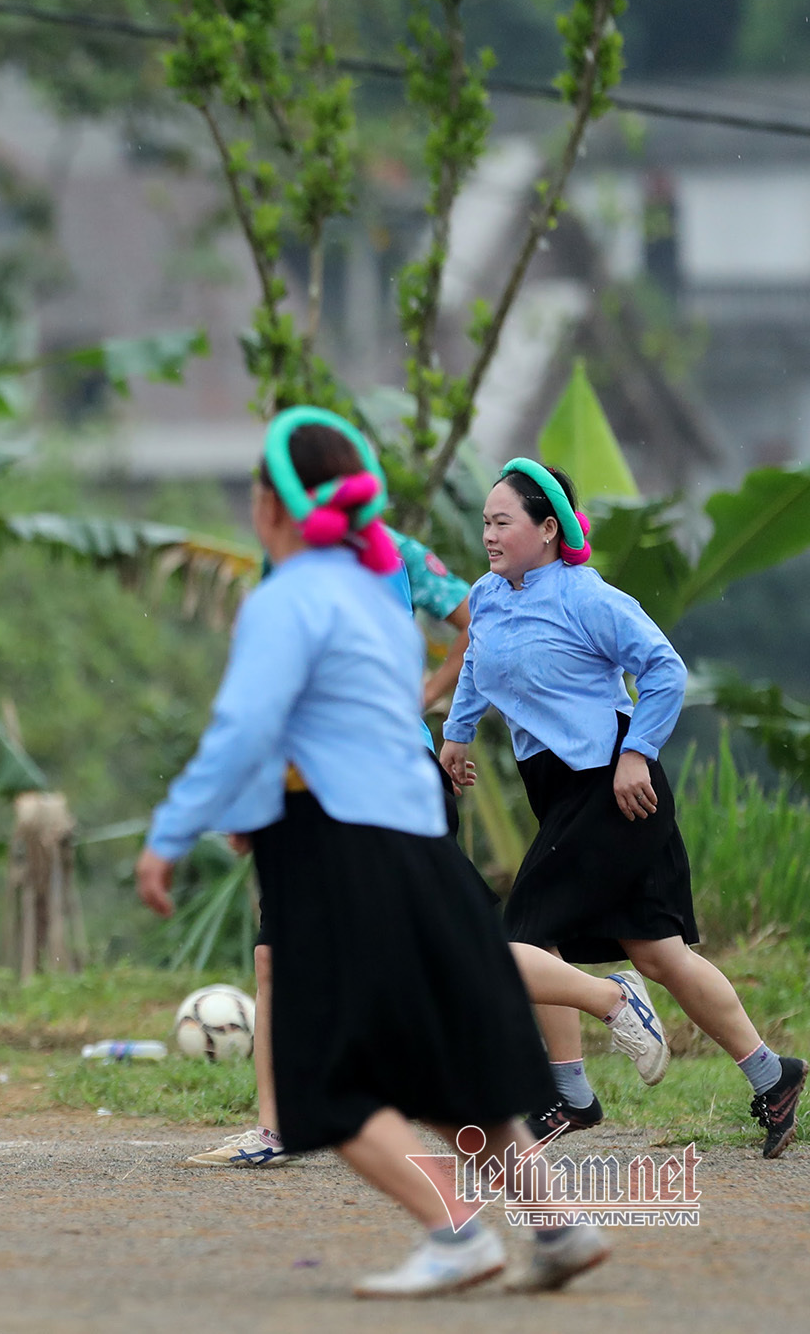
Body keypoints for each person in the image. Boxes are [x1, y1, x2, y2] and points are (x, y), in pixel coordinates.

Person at [137, 410, 607, 1296]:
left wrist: (170, 835)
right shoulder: (377, 590)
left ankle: (457, 1234)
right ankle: (559, 1225)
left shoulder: (287, 598)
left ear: (277, 507)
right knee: (439, 1060)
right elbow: (337, 725)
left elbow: (245, 727)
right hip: (418, 839)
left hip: (333, 852)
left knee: (327, 1081)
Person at [190, 500, 669, 1171]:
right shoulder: (284, 568)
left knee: (441, 955)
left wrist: (435, 704)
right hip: (310, 783)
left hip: (385, 776)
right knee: (281, 957)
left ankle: (603, 1005)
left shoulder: (398, 556)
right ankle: (280, 1127)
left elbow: (471, 631)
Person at [441, 459, 803, 1157]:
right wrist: (456, 737)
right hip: (566, 793)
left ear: (548, 529)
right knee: (658, 953)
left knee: (517, 940)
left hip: (613, 786)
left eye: (502, 521)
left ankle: (575, 1083)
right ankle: (773, 1074)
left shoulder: (586, 596)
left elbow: (664, 667)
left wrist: (637, 750)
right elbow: (478, 667)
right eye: (485, 522)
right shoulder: (487, 597)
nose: (488, 533)